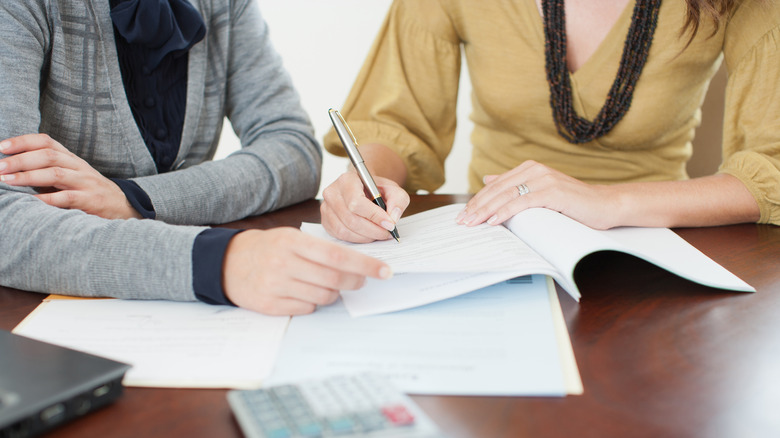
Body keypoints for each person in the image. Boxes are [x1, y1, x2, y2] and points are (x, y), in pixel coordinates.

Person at [0, 0, 391, 316]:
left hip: (181, 319)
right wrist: (217, 262)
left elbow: (293, 149)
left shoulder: (225, 6)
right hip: (47, 320)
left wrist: (135, 199)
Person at [320, 0, 780, 244]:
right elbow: (396, 124)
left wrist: (607, 202)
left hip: (652, 240)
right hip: (493, 238)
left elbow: (771, 168)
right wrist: (368, 184)